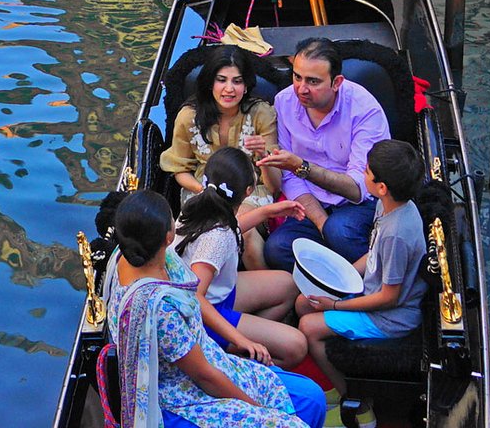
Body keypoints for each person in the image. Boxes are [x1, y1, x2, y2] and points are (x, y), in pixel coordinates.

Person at [105, 190, 326, 428]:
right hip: (183, 396)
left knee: (312, 399)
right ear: (169, 236)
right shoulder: (161, 312)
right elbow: (204, 377)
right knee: (296, 415)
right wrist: (257, 409)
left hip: (207, 360)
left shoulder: (129, 253)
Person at [295, 140, 445, 402]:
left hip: (391, 317)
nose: (361, 175)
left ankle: (350, 397)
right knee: (303, 302)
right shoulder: (390, 204)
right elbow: (373, 254)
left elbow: (390, 298)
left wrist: (334, 304)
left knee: (308, 325)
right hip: (372, 293)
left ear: (382, 187)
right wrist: (338, 279)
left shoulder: (397, 234)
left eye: (366, 172)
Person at [258, 38, 392, 270]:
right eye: (297, 77)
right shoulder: (285, 101)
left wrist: (302, 167)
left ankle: (364, 284)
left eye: (313, 81)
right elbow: (288, 178)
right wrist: (321, 223)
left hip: (359, 202)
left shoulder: (364, 109)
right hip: (311, 202)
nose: (301, 89)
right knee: (277, 248)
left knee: (339, 232)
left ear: (336, 82)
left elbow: (358, 188)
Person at [175, 148, 309, 369]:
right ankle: (227, 358)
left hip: (218, 295)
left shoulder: (202, 202)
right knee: (296, 346)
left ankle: (243, 334)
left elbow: (230, 227)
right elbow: (195, 297)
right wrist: (241, 339)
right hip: (201, 314)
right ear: (248, 191)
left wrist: (268, 212)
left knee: (288, 284)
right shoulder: (216, 239)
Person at [158, 46, 281, 268]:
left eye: (237, 81)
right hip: (200, 190)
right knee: (211, 227)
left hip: (249, 195)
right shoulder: (188, 116)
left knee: (243, 229)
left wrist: (264, 156)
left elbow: (273, 186)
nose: (229, 89)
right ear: (210, 82)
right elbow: (180, 170)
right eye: (221, 80)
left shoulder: (262, 113)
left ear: (246, 86)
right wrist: (205, 192)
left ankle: (259, 287)